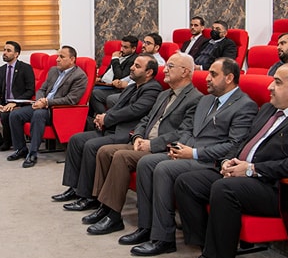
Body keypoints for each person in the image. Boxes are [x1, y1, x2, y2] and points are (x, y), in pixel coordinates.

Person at [171, 63, 288, 258]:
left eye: (277, 82)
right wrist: (228, 160)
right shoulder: (268, 109)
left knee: (224, 189)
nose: (270, 87)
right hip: (243, 175)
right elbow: (243, 141)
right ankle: (208, 256)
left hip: (278, 189)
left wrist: (251, 169)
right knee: (187, 182)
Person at [123, 58, 257, 256]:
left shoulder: (245, 105)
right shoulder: (206, 100)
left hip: (210, 161)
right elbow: (188, 130)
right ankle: (147, 227)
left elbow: (233, 145)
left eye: (213, 74)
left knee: (163, 168)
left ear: (229, 78)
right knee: (147, 162)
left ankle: (163, 238)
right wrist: (179, 148)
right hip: (189, 153)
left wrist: (193, 153)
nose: (207, 78)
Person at [67, 53, 200, 227]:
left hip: (162, 148)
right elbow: (146, 119)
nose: (165, 70)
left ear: (185, 72)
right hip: (142, 142)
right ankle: (102, 206)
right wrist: (137, 136)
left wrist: (151, 144)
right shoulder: (164, 94)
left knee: (120, 156)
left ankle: (113, 215)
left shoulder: (195, 98)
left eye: (170, 66)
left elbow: (183, 132)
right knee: (104, 151)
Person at [50, 55, 161, 205]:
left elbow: (134, 111)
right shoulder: (132, 87)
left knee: (91, 146)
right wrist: (102, 117)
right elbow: (117, 107)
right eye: (133, 64)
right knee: (76, 139)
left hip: (126, 133)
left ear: (149, 72)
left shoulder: (153, 89)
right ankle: (74, 187)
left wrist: (107, 119)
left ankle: (89, 196)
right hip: (112, 128)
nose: (131, 68)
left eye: (137, 66)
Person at [6, 46, 88, 168]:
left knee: (38, 114)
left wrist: (47, 102)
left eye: (62, 57)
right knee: (15, 114)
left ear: (72, 60)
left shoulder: (79, 76)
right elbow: (42, 89)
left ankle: (32, 154)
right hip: (43, 105)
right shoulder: (53, 70)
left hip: (58, 111)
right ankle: (21, 149)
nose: (57, 59)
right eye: (58, 56)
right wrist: (40, 100)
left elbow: (71, 99)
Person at [0, 41, 35, 151]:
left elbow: (30, 91)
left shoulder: (26, 68)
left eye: (8, 50)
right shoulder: (1, 70)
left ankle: (7, 142)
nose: (5, 52)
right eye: (4, 50)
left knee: (5, 115)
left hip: (19, 105)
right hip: (4, 104)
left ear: (16, 54)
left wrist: (15, 103)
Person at [89, 36, 138, 117]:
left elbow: (120, 76)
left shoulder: (133, 60)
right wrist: (100, 78)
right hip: (104, 83)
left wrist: (115, 59)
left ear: (133, 49)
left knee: (93, 93)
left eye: (125, 47)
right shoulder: (120, 56)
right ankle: (90, 119)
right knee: (87, 88)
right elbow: (109, 71)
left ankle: (104, 117)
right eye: (121, 46)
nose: (121, 49)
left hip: (115, 88)